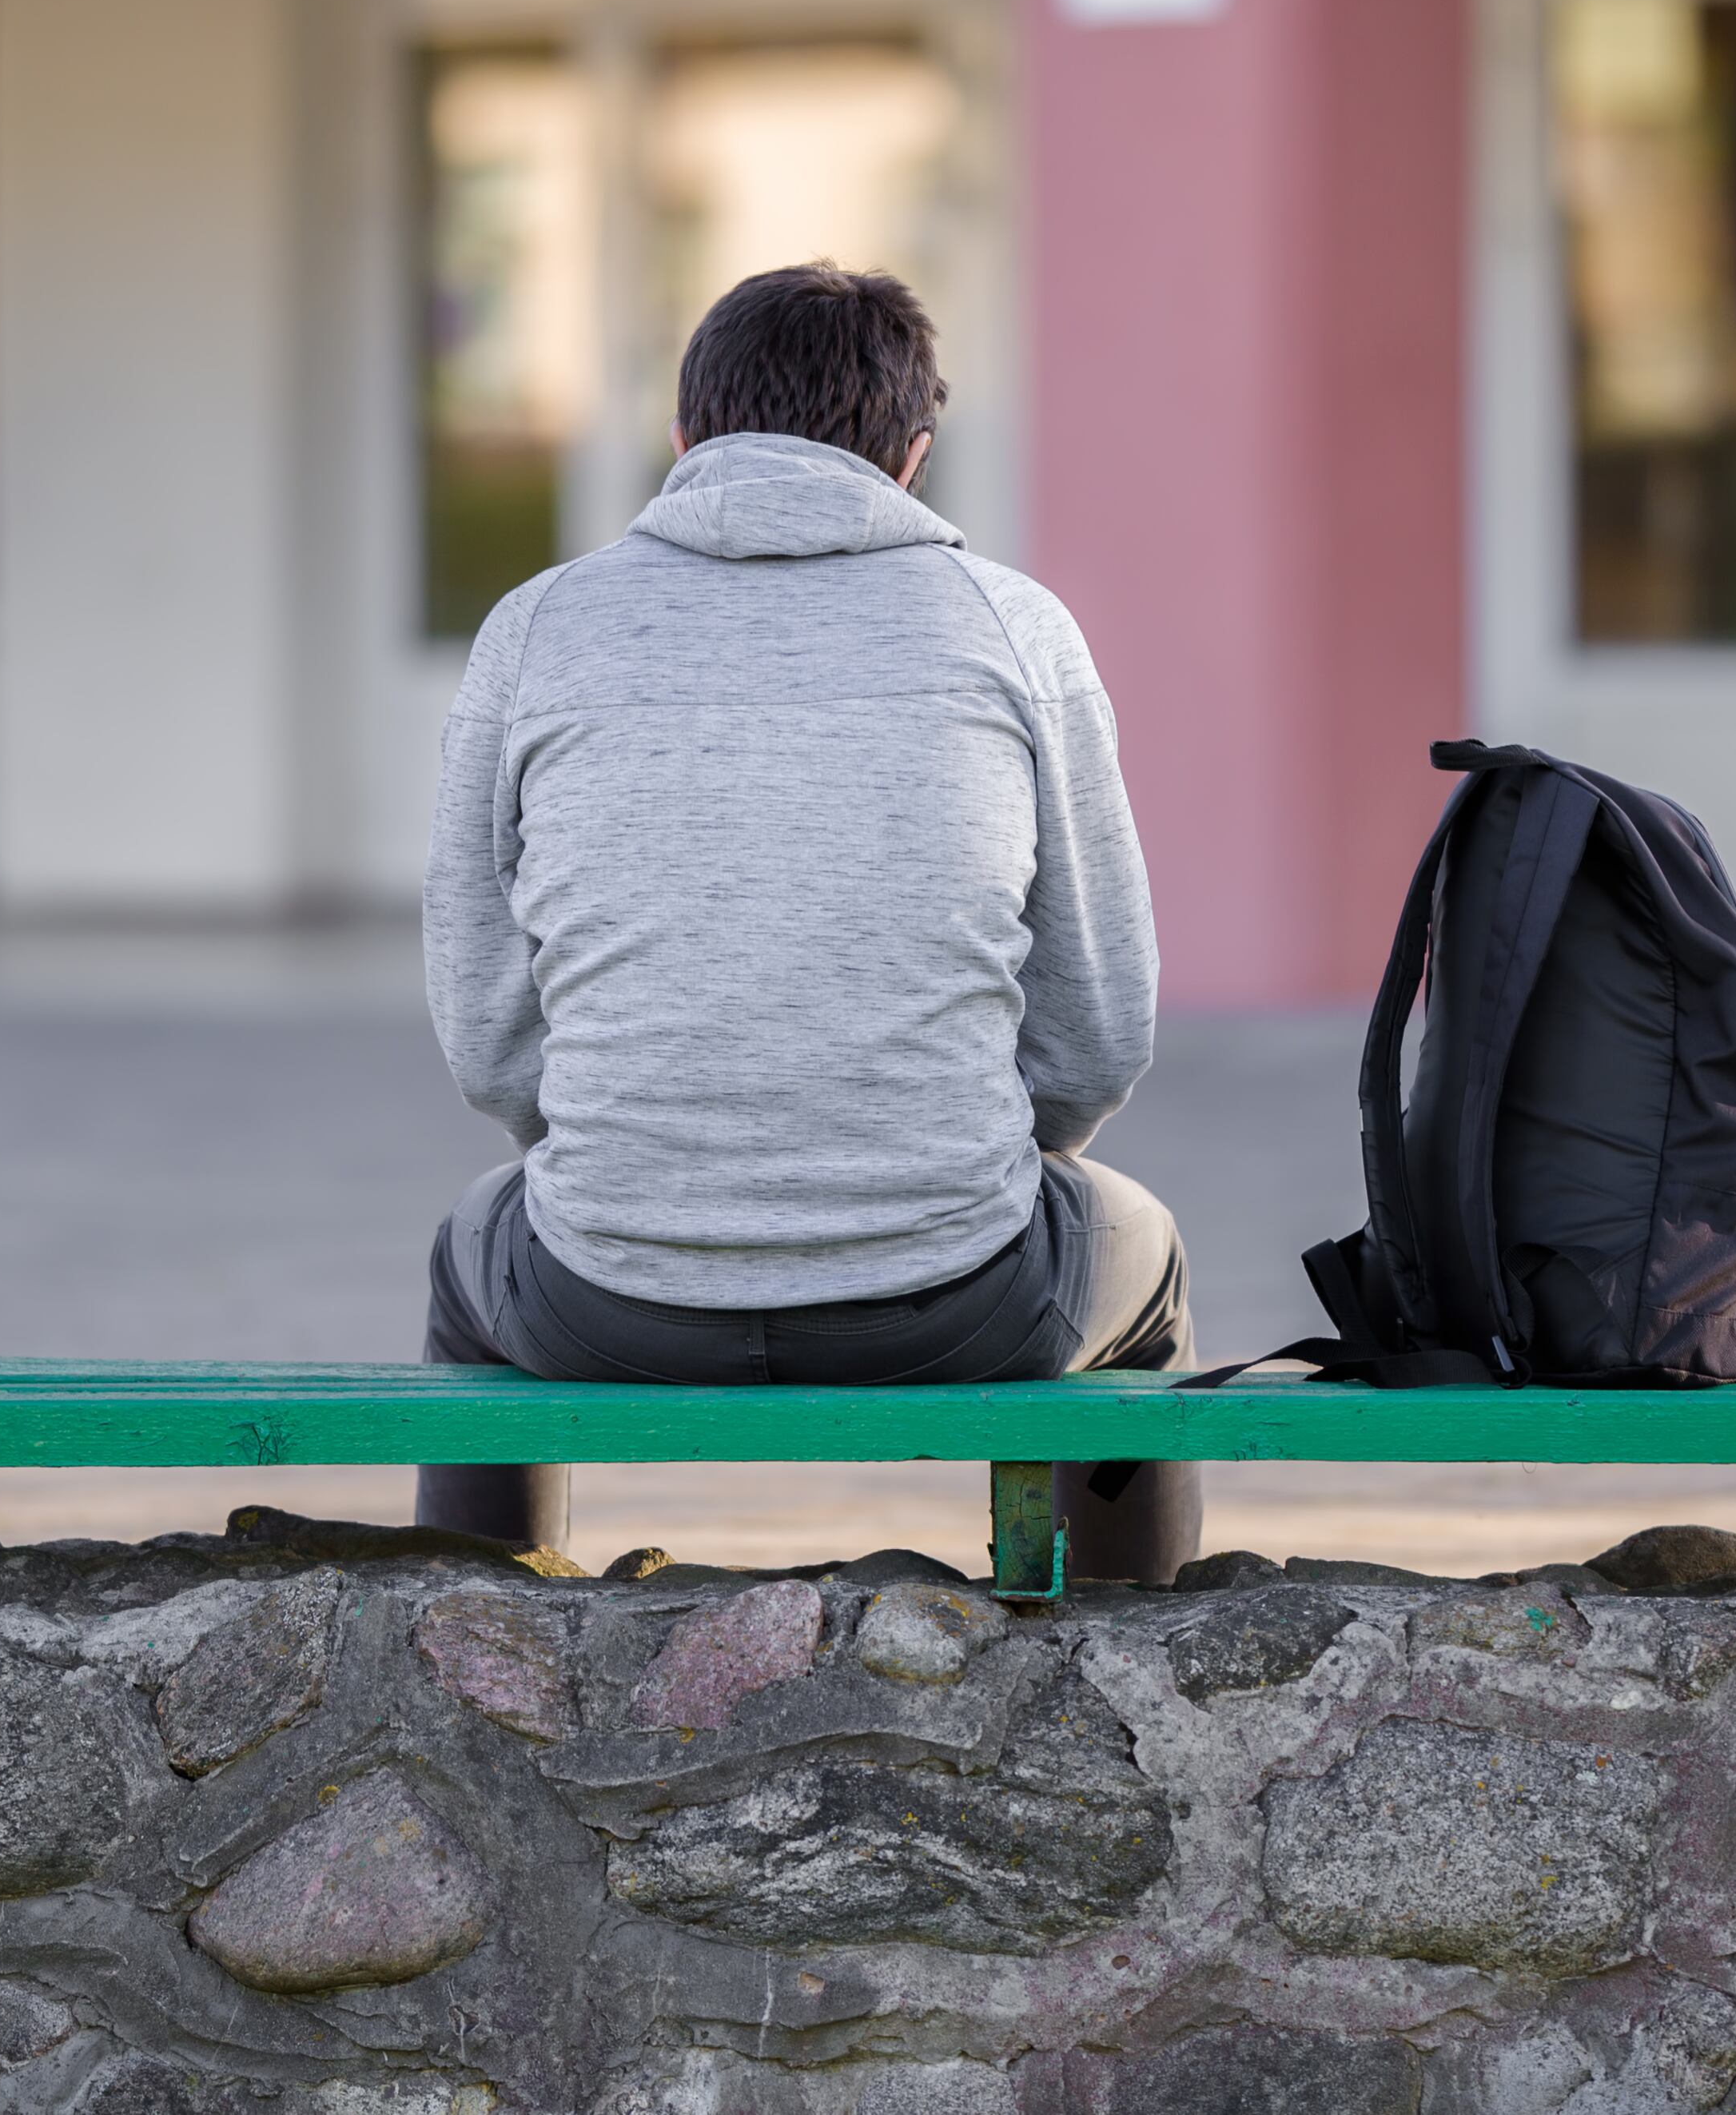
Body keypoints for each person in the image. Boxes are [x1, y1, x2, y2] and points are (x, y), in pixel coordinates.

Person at [414, 261, 1200, 1583]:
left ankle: (482, 1653)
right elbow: (1100, 1033)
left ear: (684, 441)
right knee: (1150, 1257)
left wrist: (649, 1167)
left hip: (606, 1299)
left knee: (468, 1254)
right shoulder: (1012, 630)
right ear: (913, 455)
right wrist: (964, 1164)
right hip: (962, 1296)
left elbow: (489, 1037)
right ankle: (1126, 1666)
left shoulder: (537, 628)